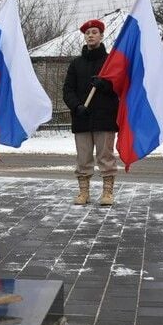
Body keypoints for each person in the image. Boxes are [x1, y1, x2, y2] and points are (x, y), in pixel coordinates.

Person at [62, 19, 119, 206]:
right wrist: (77, 106)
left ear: (101, 36)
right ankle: (84, 193)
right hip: (82, 119)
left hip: (105, 118)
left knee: (106, 157)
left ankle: (107, 192)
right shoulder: (76, 64)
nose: (91, 35)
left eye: (94, 32)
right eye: (87, 33)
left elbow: (120, 86)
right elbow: (68, 90)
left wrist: (105, 85)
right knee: (83, 158)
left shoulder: (110, 62)